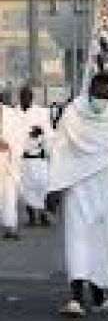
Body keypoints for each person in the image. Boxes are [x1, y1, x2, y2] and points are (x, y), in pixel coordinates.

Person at [50, 73, 108, 316]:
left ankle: (98, 297)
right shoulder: (73, 113)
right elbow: (60, 149)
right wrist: (55, 186)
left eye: (106, 95)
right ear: (90, 91)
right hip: (77, 186)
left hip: (103, 186)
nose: (101, 99)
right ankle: (75, 298)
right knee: (77, 239)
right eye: (98, 94)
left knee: (102, 241)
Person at [16, 85, 54, 227]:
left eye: (28, 95)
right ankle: (31, 215)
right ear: (20, 97)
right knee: (25, 189)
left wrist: (41, 131)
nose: (26, 98)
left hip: (38, 157)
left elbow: (49, 132)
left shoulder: (41, 112)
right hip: (22, 158)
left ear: (32, 97)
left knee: (42, 186)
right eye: (23, 96)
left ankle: (44, 215)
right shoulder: (15, 112)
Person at [0, 102, 23, 239]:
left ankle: (10, 226)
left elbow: (19, 136)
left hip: (9, 159)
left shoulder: (11, 115)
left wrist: (8, 144)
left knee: (9, 194)